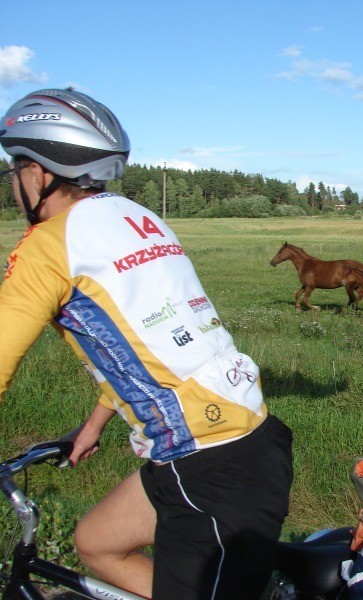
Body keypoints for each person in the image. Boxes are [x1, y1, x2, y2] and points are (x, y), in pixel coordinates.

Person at [0, 88, 293, 599]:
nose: (14, 182)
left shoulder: (47, 248)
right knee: (95, 541)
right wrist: (92, 425)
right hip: (241, 441)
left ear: (40, 172)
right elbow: (147, 343)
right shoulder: (135, 219)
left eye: (15, 167)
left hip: (207, 466)